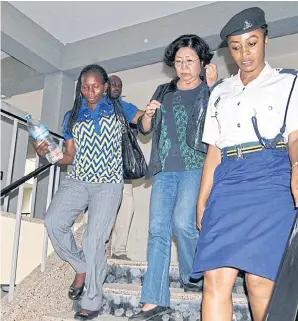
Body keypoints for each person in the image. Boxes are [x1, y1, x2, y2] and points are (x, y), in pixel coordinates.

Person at [191, 7, 298, 321]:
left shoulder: (289, 82)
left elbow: (297, 138)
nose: (245, 53)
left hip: (271, 178)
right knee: (215, 278)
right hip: (227, 182)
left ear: (266, 39)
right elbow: (214, 150)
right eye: (237, 47)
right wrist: (203, 198)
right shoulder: (220, 92)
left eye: (252, 43)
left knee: (260, 280)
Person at [35, 64, 149, 320]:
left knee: (94, 240)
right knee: (54, 222)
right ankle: (82, 265)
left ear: (106, 86)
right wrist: (48, 153)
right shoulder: (72, 116)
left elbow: (143, 121)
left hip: (109, 183)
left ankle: (92, 299)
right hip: (78, 180)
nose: (90, 91)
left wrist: (151, 113)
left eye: (95, 86)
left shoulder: (119, 108)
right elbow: (69, 156)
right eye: (85, 87)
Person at [129, 34, 219, 320]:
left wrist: (215, 87)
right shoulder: (163, 90)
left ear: (202, 62)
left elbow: (222, 123)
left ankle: (194, 274)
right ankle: (153, 301)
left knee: (184, 223)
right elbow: (145, 128)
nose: (183, 66)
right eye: (179, 61)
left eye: (190, 61)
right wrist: (147, 115)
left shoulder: (211, 90)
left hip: (196, 165)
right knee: (158, 230)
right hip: (165, 168)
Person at [109, 74, 137, 260]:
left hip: (122, 169)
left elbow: (141, 118)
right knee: (101, 211)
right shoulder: (97, 104)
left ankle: (119, 251)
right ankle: (99, 250)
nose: (116, 86)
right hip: (100, 171)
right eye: (113, 83)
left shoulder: (123, 107)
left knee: (127, 207)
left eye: (119, 84)